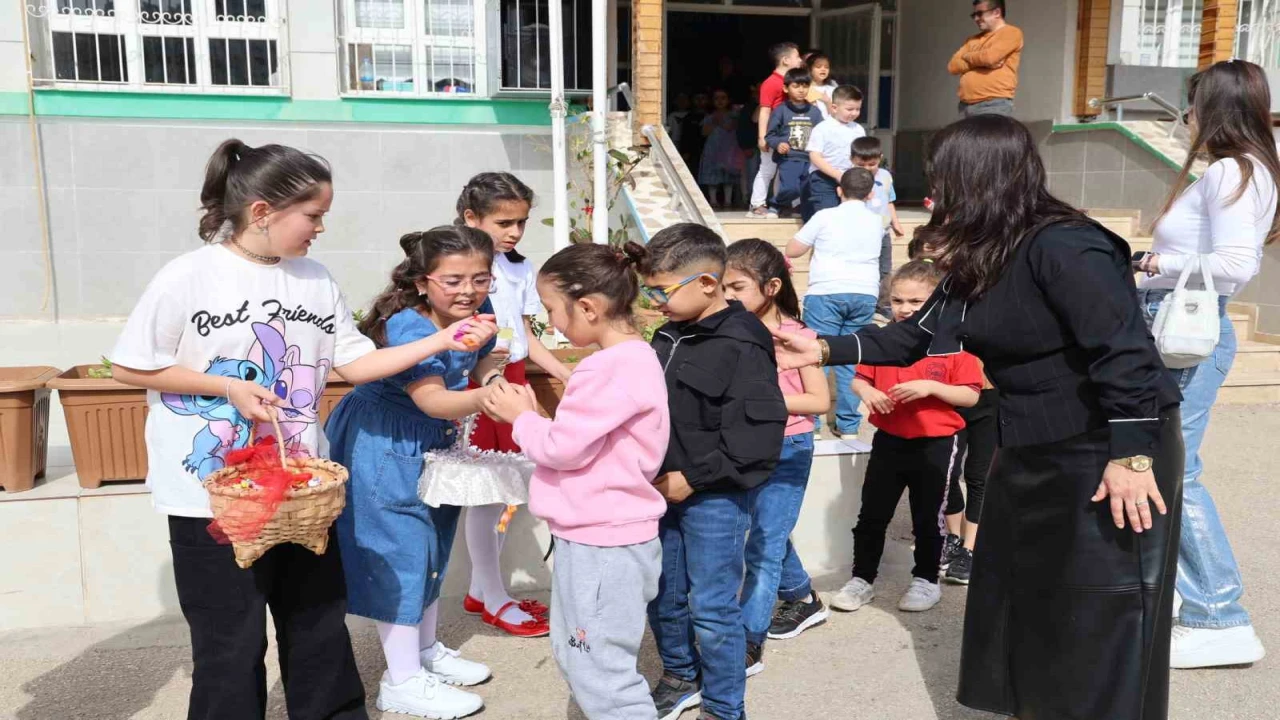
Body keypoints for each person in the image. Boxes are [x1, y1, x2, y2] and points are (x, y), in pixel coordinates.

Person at [772, 115, 1183, 720]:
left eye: (944, 179)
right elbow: (915, 336)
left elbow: (1126, 356)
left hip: (1107, 445)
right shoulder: (986, 255)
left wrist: (1130, 458)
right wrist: (827, 349)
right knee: (1027, 596)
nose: (935, 194)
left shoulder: (1068, 245)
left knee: (1100, 607)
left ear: (978, 179)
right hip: (1032, 445)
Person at [108, 139, 496, 720]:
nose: (319, 228)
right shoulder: (188, 277)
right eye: (313, 216)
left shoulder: (314, 278)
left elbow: (355, 364)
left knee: (317, 623)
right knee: (230, 642)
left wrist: (443, 340)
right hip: (213, 494)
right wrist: (228, 387)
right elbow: (129, 365)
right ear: (262, 212)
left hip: (303, 488)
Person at [326, 227, 508, 718]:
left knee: (432, 544)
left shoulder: (474, 314)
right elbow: (431, 399)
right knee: (401, 548)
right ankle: (402, 679)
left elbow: (485, 355)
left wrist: (490, 375)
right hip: (386, 444)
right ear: (423, 282)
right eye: (453, 280)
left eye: (480, 278)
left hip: (434, 441)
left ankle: (424, 653)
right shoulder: (411, 326)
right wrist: (491, 400)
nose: (468, 290)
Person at [482, 242, 670, 720]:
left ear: (588, 306)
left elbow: (561, 447)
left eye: (550, 309)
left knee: (600, 671)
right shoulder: (636, 359)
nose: (550, 323)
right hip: (605, 538)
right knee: (585, 656)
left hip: (603, 544)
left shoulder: (606, 369)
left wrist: (521, 416)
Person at [1135, 59, 1278, 669]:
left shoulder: (1231, 172)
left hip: (1183, 332)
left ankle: (1220, 614)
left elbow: (1236, 264)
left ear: (1213, 107)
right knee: (1169, 463)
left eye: (1192, 103)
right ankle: (1187, 597)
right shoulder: (1241, 171)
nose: (1186, 115)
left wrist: (1151, 265)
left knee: (1176, 468)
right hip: (1177, 332)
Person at [641, 223, 787, 720]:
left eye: (662, 289)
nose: (655, 299)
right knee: (662, 595)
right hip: (660, 493)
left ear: (707, 283)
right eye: (650, 289)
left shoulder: (743, 342)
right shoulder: (668, 332)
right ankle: (680, 675)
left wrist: (694, 478)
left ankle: (725, 708)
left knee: (713, 609)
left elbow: (756, 441)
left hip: (714, 500)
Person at [456, 172, 571, 638]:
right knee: (487, 495)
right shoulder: (456, 265)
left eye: (521, 222)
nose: (514, 232)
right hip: (478, 382)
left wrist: (563, 372)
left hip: (515, 381)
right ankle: (493, 596)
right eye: (504, 222)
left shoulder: (520, 268)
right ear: (470, 217)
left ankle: (484, 590)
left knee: (508, 492)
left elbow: (523, 332)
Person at [830, 259, 981, 614]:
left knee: (928, 516)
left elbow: (972, 394)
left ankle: (926, 579)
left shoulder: (955, 343)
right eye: (898, 300)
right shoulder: (882, 339)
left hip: (937, 442)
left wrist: (931, 386)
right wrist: (866, 393)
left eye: (916, 302)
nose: (906, 309)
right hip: (889, 439)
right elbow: (859, 378)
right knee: (872, 514)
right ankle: (862, 579)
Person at [723, 240, 831, 673]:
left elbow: (819, 400)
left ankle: (749, 642)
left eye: (737, 286)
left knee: (764, 545)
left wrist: (759, 404)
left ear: (770, 286)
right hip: (740, 448)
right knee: (764, 531)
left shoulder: (799, 336)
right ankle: (804, 597)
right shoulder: (727, 331)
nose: (728, 296)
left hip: (789, 448)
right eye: (723, 286)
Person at [786, 168, 883, 437]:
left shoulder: (825, 216)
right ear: (871, 193)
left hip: (826, 291)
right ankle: (849, 425)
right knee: (851, 357)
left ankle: (813, 423)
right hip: (865, 293)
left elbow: (793, 250)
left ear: (839, 191)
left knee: (817, 355)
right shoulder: (878, 220)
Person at [748, 42, 804, 219]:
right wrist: (762, 136)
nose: (800, 60)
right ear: (786, 60)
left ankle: (786, 204)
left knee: (790, 170)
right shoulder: (771, 83)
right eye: (797, 56)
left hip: (793, 133)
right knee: (768, 169)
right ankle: (757, 204)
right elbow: (765, 110)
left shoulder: (793, 82)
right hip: (774, 134)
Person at [948, 0, 1023, 117]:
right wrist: (977, 60)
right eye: (974, 15)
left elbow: (989, 58)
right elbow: (952, 66)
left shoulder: (1011, 32)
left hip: (993, 105)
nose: (976, 19)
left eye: (980, 14)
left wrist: (967, 56)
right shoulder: (972, 40)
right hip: (966, 106)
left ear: (997, 12)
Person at [802, 85, 866, 222]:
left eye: (858, 109)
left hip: (850, 179)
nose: (854, 113)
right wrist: (836, 174)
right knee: (828, 215)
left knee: (849, 217)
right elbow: (815, 156)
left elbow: (861, 155)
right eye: (849, 109)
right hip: (823, 179)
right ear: (834, 107)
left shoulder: (859, 129)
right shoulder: (822, 128)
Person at [764, 68, 823, 218]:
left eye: (804, 86)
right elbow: (770, 135)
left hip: (810, 159)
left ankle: (799, 212)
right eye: (796, 86)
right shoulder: (780, 110)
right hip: (789, 157)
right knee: (791, 188)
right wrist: (778, 144)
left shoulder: (815, 112)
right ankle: (776, 203)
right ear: (786, 88)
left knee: (807, 190)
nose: (801, 90)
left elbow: (823, 134)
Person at [850, 136, 904, 295]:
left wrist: (896, 223)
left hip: (883, 232)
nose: (867, 168)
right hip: (860, 233)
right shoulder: (849, 177)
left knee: (885, 268)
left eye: (872, 164)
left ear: (880, 158)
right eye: (861, 164)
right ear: (852, 159)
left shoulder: (885, 176)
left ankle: (883, 301)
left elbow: (889, 201)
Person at [700, 89, 744, 210]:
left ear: (728, 100)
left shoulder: (734, 115)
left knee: (728, 175)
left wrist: (721, 120)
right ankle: (713, 200)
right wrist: (714, 122)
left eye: (723, 98)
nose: (720, 101)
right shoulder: (709, 116)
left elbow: (731, 128)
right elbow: (704, 132)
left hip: (729, 148)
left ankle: (728, 201)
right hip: (713, 148)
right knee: (712, 174)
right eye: (716, 98)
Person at [805, 51, 839, 120]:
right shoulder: (804, 89)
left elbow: (837, 116)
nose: (823, 69)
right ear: (810, 69)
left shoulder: (833, 90)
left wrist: (827, 102)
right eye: (818, 67)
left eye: (826, 67)